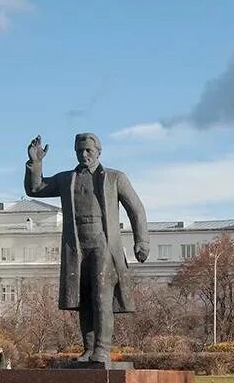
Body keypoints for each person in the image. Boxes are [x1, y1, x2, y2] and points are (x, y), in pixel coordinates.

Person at [24, 133, 149, 367]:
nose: (84, 155)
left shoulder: (115, 178)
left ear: (98, 152)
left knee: (102, 296)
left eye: (88, 150)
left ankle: (102, 349)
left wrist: (142, 242)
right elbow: (36, 188)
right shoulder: (66, 179)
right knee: (84, 299)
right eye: (80, 151)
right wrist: (36, 163)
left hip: (104, 244)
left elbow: (137, 210)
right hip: (77, 246)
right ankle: (89, 348)